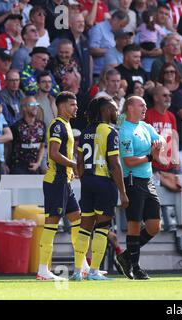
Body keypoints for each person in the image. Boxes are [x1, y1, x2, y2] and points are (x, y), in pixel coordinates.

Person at [70, 97, 129, 281]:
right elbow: (115, 164)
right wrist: (123, 192)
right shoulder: (110, 132)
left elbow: (78, 162)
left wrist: (85, 179)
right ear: (105, 110)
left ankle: (78, 271)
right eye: (114, 107)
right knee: (103, 228)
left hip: (87, 182)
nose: (117, 111)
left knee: (84, 228)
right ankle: (95, 271)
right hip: (104, 183)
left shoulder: (86, 132)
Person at [37, 91, 85, 281]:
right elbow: (55, 154)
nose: (76, 108)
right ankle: (42, 269)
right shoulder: (57, 125)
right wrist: (74, 164)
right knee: (51, 224)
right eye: (72, 105)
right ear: (62, 106)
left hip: (63, 180)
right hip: (55, 181)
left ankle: (83, 265)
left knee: (77, 219)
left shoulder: (66, 125)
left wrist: (70, 169)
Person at [117, 96, 165, 280]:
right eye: (141, 105)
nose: (145, 108)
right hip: (132, 181)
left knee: (154, 226)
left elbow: (159, 138)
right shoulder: (125, 131)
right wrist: (150, 157)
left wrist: (159, 142)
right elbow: (128, 161)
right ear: (130, 107)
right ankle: (135, 267)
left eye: (145, 105)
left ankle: (126, 256)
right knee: (134, 225)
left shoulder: (145, 126)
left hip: (148, 181)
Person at [8, 96, 46, 174]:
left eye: (36, 104)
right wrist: (6, 164)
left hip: (35, 167)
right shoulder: (16, 126)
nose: (35, 107)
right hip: (18, 168)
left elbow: (42, 146)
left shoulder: (42, 125)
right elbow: (8, 147)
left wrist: (38, 163)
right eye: (32, 104)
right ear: (24, 108)